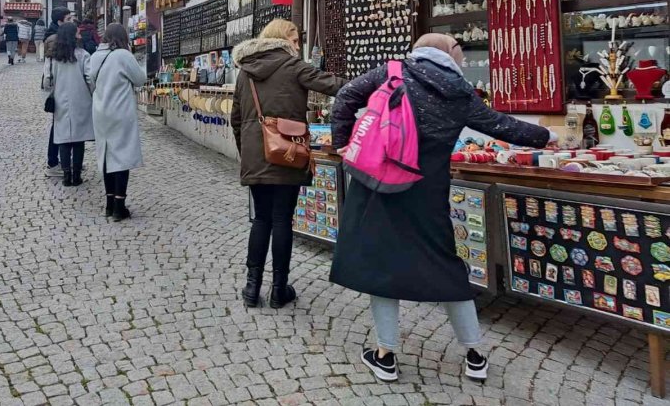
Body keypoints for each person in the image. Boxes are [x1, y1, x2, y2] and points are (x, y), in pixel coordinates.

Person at [329, 34, 553, 383]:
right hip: (428, 191)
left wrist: (343, 143)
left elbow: (345, 96)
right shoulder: (460, 92)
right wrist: (547, 138)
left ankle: (385, 354)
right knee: (446, 266)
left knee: (380, 266)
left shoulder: (393, 71)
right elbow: (502, 126)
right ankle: (474, 352)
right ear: (450, 54)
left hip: (379, 183)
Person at [231, 19, 345, 309]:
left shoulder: (245, 71)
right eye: (295, 40)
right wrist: (378, 86)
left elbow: (235, 119)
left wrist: (248, 154)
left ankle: (251, 288)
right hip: (287, 154)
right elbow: (334, 86)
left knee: (261, 220)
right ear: (284, 39)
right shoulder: (293, 66)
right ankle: (278, 290)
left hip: (256, 157)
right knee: (282, 219)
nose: (298, 45)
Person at [88, 23, 147, 222]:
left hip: (100, 111)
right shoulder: (123, 56)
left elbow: (90, 82)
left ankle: (109, 202)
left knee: (106, 155)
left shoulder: (95, 56)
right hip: (120, 111)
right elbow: (140, 79)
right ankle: (119, 207)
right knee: (121, 156)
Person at [46, 23, 94, 187]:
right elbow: (90, 78)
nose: (80, 35)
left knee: (64, 139)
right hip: (80, 100)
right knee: (78, 140)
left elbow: (47, 81)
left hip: (60, 101)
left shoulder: (54, 58)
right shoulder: (83, 55)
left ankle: (66, 176)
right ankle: (76, 175)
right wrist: (93, 93)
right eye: (78, 33)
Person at [43, 6, 72, 178]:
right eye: (68, 19)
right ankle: (53, 162)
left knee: (61, 125)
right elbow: (49, 67)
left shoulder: (58, 36)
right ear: (60, 21)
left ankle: (62, 161)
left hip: (61, 88)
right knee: (58, 126)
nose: (71, 22)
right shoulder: (55, 38)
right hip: (59, 89)